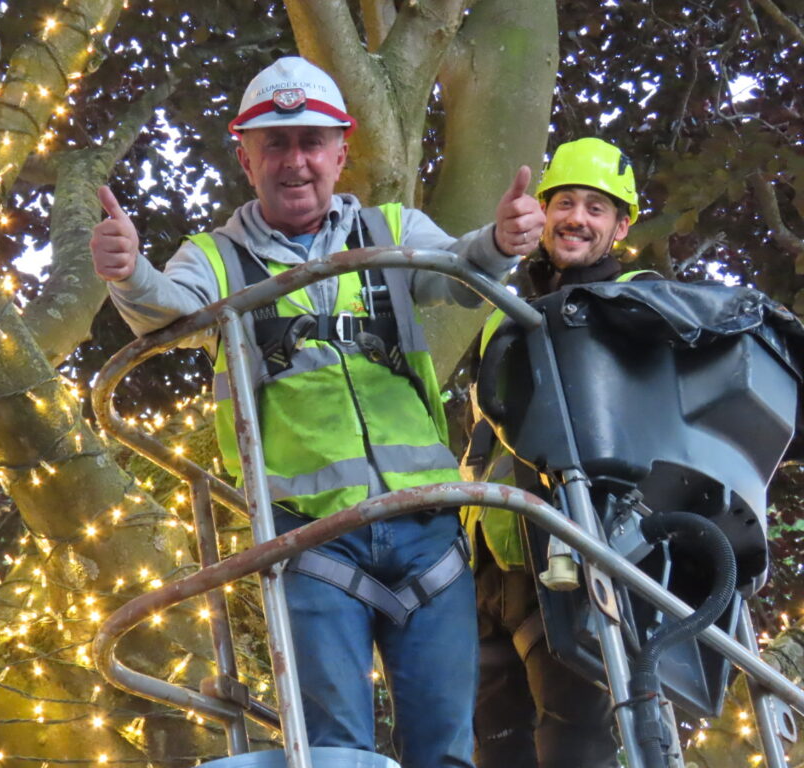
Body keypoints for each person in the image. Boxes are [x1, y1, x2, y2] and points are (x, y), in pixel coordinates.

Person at [92, 56, 544, 768]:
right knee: (333, 756)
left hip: (428, 535)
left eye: (310, 142)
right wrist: (128, 272)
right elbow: (167, 308)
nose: (295, 161)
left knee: (450, 756)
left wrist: (500, 242)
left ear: (342, 148)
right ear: (245, 155)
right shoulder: (216, 258)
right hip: (313, 546)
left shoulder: (389, 227)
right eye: (275, 144)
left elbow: (456, 270)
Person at [461, 137, 649, 768]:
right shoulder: (501, 310)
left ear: (621, 226)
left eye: (597, 209)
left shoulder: (641, 302)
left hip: (574, 550)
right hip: (489, 557)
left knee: (574, 743)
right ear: (540, 212)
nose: (576, 218)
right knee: (494, 746)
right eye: (564, 202)